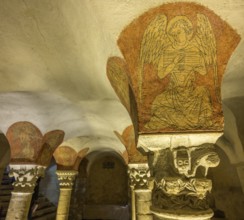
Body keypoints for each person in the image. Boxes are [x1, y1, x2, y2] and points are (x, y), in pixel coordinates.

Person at [146, 16, 213, 130]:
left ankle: (190, 121)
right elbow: (161, 74)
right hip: (174, 92)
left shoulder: (194, 49)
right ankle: (185, 121)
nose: (177, 36)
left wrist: (195, 64)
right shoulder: (167, 50)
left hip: (191, 91)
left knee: (204, 93)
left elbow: (203, 71)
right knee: (158, 104)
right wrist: (173, 63)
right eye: (174, 34)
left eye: (179, 32)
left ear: (187, 32)